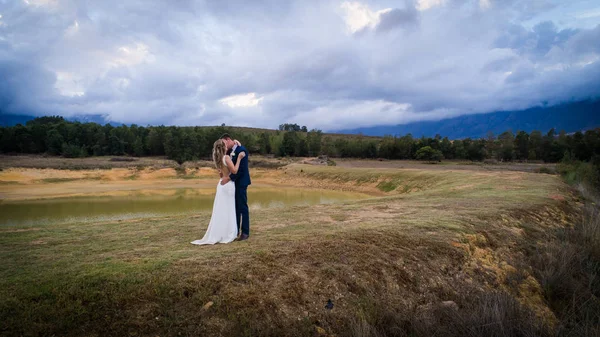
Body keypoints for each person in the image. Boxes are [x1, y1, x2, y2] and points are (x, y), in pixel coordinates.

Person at [191, 138, 245, 245]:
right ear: (224, 147)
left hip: (221, 185)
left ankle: (221, 232)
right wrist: (239, 158)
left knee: (221, 209)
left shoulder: (218, 159)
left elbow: (221, 175)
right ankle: (228, 233)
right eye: (225, 144)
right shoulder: (226, 158)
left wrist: (237, 145)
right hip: (228, 185)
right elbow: (234, 171)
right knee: (229, 209)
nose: (227, 145)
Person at [221, 133, 251, 241]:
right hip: (233, 184)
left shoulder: (241, 150)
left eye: (224, 143)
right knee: (235, 208)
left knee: (242, 207)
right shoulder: (230, 151)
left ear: (228, 140)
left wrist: (228, 179)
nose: (224, 145)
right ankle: (236, 230)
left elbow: (241, 170)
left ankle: (245, 232)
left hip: (241, 182)